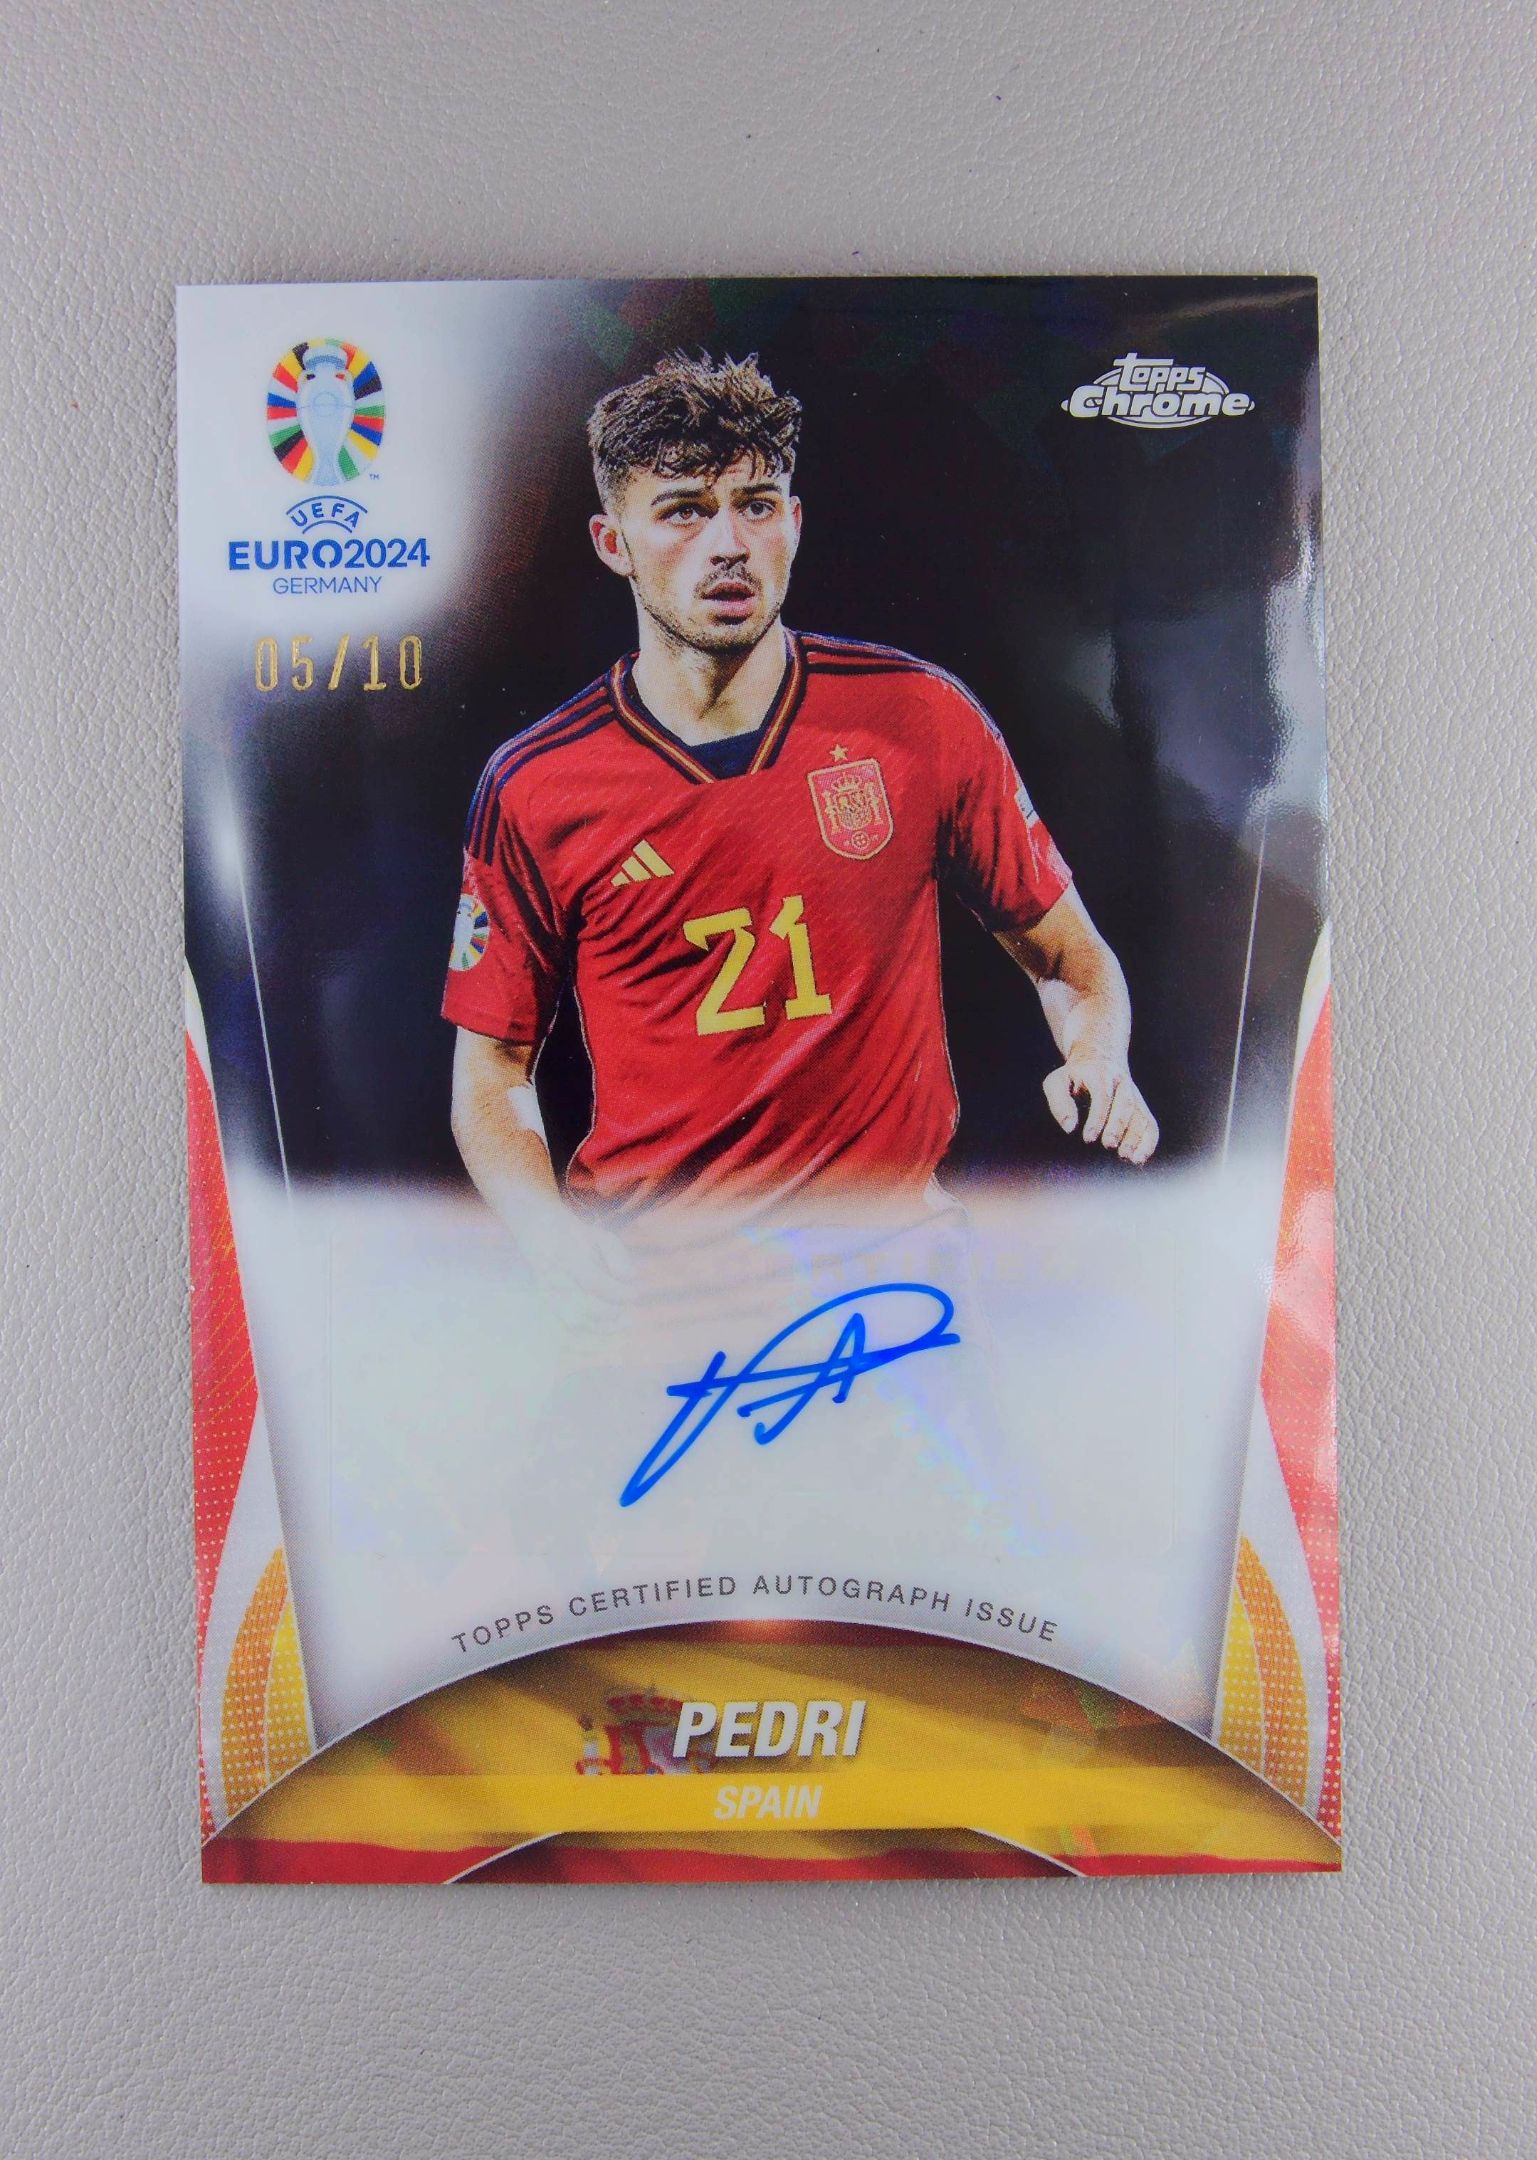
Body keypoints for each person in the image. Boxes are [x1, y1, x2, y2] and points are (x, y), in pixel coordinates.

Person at [443, 352, 1156, 1296]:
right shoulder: (538, 783)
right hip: (660, 1289)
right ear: (613, 542)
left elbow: (1068, 956)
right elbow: (492, 1069)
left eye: (757, 504)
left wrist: (1097, 1056)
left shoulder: (918, 718)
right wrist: (547, 1234)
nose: (728, 543)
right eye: (684, 510)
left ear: (795, 523)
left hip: (895, 1272)